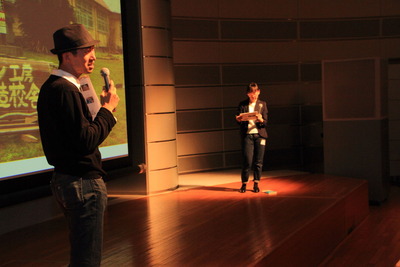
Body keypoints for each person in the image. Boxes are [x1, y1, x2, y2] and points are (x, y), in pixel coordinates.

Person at [37, 24, 119, 267]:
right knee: (87, 260)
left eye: (93, 49)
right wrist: (108, 110)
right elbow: (85, 141)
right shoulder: (64, 90)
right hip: (82, 183)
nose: (93, 56)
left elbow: (77, 136)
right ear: (67, 55)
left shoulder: (53, 87)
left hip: (68, 180)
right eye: (85, 50)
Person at [235, 82, 268, 193]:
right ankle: (244, 184)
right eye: (250, 93)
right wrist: (239, 119)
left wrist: (260, 119)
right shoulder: (243, 105)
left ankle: (256, 184)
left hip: (259, 135)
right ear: (247, 94)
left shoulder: (262, 104)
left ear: (258, 92)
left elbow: (265, 122)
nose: (253, 95)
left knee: (258, 161)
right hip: (247, 135)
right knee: (247, 160)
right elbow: (239, 120)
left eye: (255, 92)